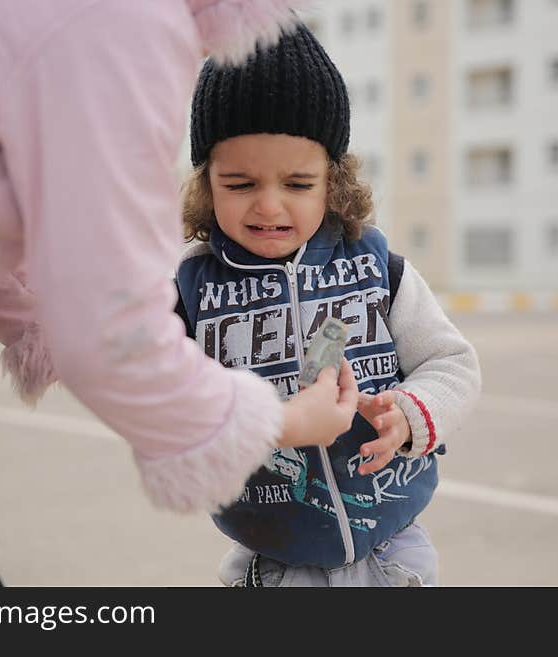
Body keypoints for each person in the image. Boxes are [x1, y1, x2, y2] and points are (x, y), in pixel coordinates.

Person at [0, 0, 360, 586]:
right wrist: (277, 424)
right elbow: (110, 332)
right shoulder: (121, 20)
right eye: (239, 182)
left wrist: (41, 321)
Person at [174, 22, 482, 586]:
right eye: (239, 184)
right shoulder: (190, 291)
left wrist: (411, 414)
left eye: (297, 183)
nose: (269, 205)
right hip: (270, 565)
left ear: (332, 181)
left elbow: (452, 363)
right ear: (206, 182)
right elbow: (163, 406)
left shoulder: (376, 266)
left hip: (393, 555)